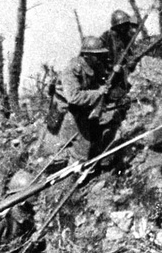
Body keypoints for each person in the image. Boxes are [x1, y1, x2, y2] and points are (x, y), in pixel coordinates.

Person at [52, 36, 130, 164]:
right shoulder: (71, 69)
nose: (100, 58)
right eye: (97, 55)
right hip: (68, 111)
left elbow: (103, 83)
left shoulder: (94, 66)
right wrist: (98, 92)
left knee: (107, 124)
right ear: (87, 55)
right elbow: (73, 97)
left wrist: (116, 73)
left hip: (84, 107)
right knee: (81, 152)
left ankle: (101, 160)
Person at [99, 9, 140, 97]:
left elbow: (136, 22)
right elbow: (112, 57)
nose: (123, 28)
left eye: (125, 25)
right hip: (109, 71)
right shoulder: (109, 37)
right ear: (116, 27)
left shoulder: (126, 35)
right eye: (120, 26)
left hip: (120, 69)